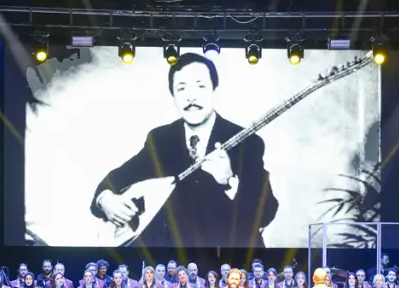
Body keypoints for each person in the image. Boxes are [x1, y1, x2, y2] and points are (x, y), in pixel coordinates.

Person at [90, 53, 279, 247]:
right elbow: (114, 181)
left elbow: (265, 213)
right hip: (174, 259)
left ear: (214, 91)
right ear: (173, 96)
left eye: (200, 86)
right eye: (181, 88)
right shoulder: (161, 139)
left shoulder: (248, 142)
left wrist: (229, 181)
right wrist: (106, 200)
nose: (191, 97)